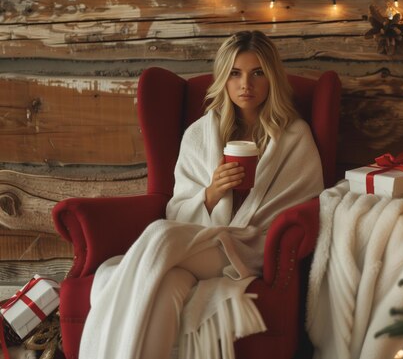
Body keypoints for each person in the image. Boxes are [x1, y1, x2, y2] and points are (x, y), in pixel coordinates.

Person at [78, 31, 324, 359]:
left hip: (249, 247)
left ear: (272, 78)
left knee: (161, 234)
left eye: (257, 73)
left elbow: (304, 200)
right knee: (168, 286)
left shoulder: (294, 137)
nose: (245, 84)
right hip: (199, 242)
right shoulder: (199, 134)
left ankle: (116, 285)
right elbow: (178, 210)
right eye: (235, 73)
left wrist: (252, 194)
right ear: (223, 78)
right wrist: (212, 193)